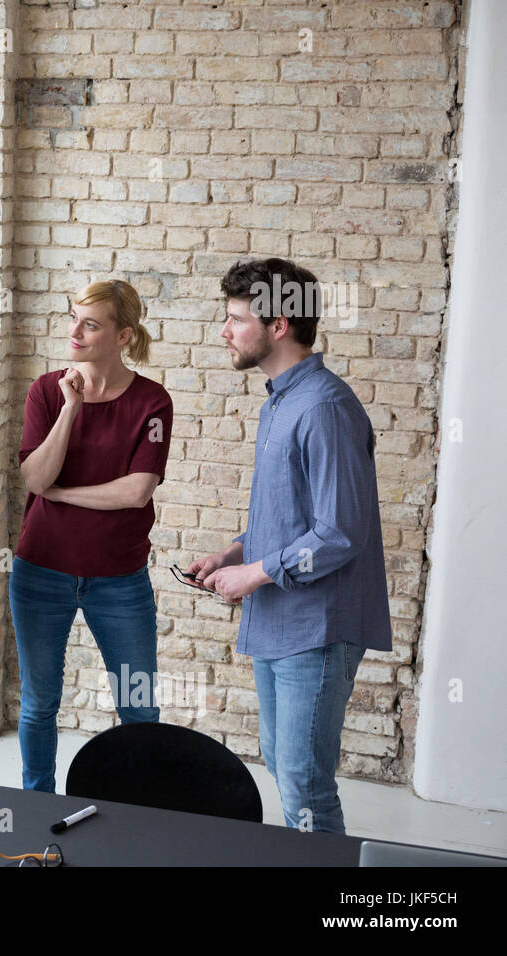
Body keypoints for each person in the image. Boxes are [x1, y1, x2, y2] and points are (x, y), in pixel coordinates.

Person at [187, 257, 391, 835]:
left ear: (279, 324)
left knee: (305, 785)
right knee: (283, 765)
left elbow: (340, 531)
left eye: (234, 319)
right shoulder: (280, 401)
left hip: (316, 629)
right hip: (281, 620)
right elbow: (293, 517)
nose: (225, 331)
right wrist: (235, 552)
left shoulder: (324, 407)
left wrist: (253, 575)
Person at [12, 279, 173, 793]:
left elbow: (136, 492)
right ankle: (36, 803)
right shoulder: (46, 389)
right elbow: (36, 479)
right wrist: (69, 409)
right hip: (40, 571)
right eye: (73, 318)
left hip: (120, 580)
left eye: (91, 324)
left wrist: (63, 495)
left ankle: (138, 811)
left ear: (123, 335)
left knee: (139, 707)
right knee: (39, 704)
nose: (74, 332)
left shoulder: (153, 402)